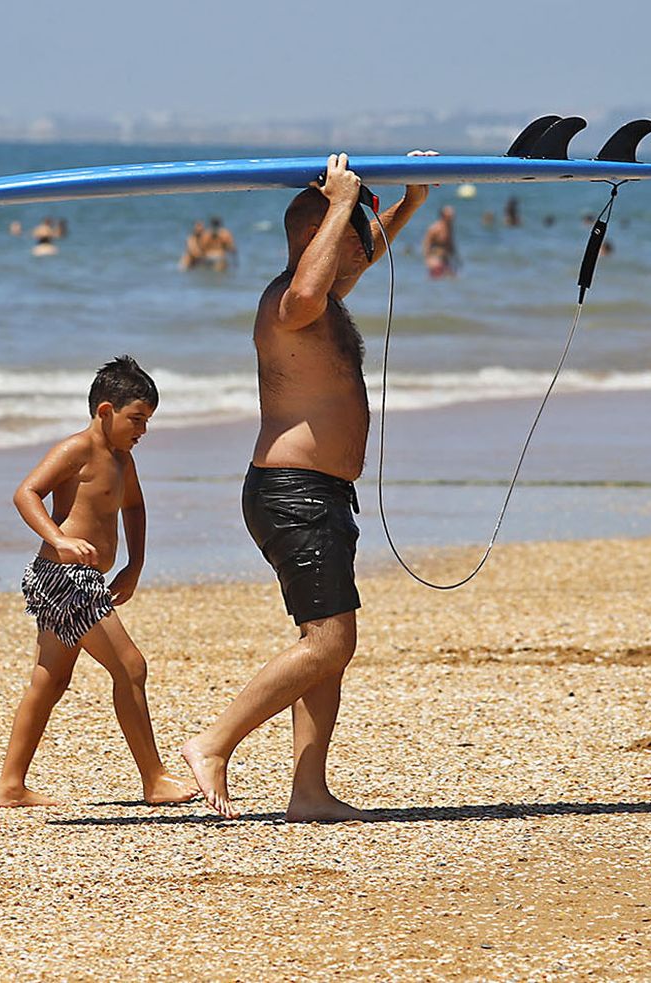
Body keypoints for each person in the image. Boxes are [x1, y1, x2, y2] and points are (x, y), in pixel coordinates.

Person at [181, 152, 432, 822]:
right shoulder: (291, 300)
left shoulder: (323, 293)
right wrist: (344, 203)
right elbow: (310, 288)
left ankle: (309, 791)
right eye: (352, 232)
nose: (361, 248)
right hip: (292, 492)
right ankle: (213, 743)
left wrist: (410, 202)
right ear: (321, 237)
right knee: (329, 641)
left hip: (316, 492)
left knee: (328, 645)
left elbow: (353, 263)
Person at [0, 356, 198, 808]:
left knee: (50, 679)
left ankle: (10, 785)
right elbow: (26, 493)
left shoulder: (122, 458)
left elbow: (135, 507)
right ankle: (154, 778)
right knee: (131, 667)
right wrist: (59, 538)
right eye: (136, 419)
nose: (142, 430)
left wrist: (135, 564)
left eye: (147, 422)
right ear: (106, 412)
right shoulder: (77, 450)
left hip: (82, 578)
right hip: (63, 576)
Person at [421, 204, 458, 278]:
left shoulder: (449, 228)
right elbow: (426, 244)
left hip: (446, 260)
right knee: (437, 281)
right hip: (435, 260)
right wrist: (428, 260)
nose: (453, 217)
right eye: (450, 215)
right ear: (443, 216)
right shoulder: (434, 228)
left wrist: (457, 258)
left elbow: (451, 245)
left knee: (452, 280)